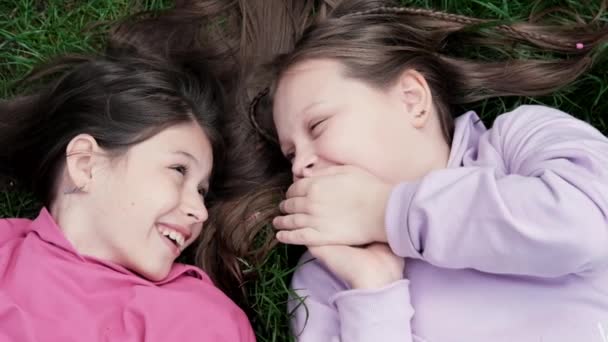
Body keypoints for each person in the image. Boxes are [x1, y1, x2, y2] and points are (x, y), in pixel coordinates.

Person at [241, 0, 608, 341]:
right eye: (290, 155)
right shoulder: (327, 275)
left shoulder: (520, 141)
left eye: (318, 126)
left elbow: (586, 229)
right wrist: (374, 292)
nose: (301, 165)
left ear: (411, 99)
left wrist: (388, 212)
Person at [0, 44, 255, 340]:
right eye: (179, 170)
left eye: (201, 191)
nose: (200, 211)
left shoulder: (197, 319)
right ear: (86, 165)